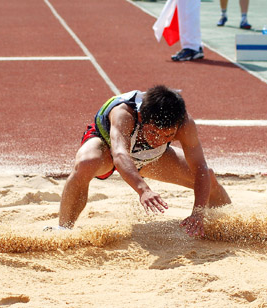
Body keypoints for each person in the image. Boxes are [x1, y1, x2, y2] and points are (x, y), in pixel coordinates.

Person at [53, 85, 232, 237]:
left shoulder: (185, 124)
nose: (158, 140)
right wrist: (143, 190)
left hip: (151, 157)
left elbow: (200, 167)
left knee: (208, 177)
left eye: (168, 135)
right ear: (141, 118)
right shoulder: (123, 113)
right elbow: (120, 155)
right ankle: (63, 229)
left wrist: (198, 213)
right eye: (153, 132)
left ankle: (227, 225)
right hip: (108, 149)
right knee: (86, 163)